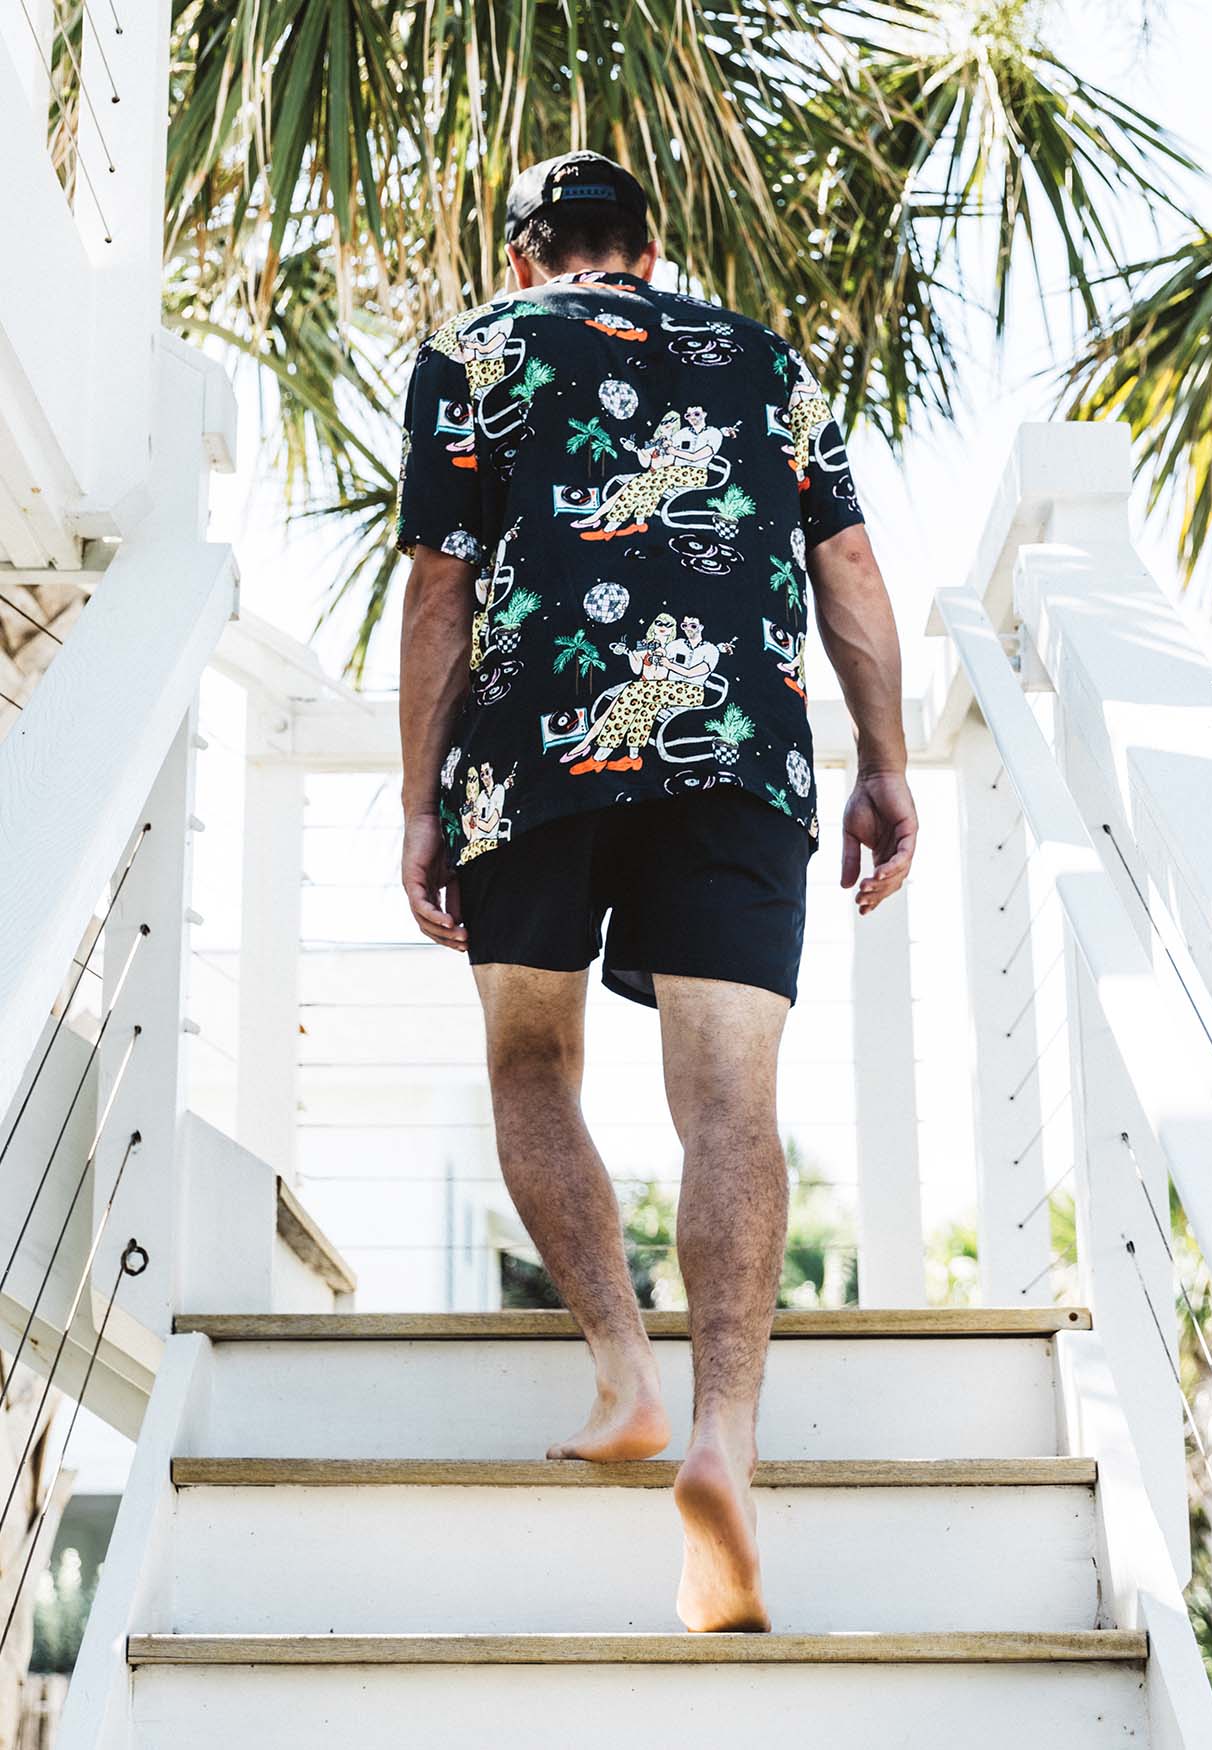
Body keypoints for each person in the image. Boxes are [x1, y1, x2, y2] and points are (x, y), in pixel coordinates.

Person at [395, 149, 917, 1634]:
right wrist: (883, 762)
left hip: (532, 757)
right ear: (647, 248)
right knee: (730, 1099)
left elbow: (439, 588)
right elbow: (850, 566)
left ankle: (625, 1375)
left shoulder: (475, 351)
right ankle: (723, 1439)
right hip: (738, 753)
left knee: (530, 1063)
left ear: (522, 256)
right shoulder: (764, 360)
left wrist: (420, 795)